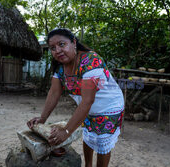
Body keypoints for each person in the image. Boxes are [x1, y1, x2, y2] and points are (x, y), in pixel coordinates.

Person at [27, 28, 124, 167]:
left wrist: (66, 131)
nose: (57, 50)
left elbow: (87, 101)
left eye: (62, 44)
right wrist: (42, 119)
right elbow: (54, 93)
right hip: (87, 109)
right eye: (53, 48)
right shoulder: (60, 68)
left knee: (102, 142)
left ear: (73, 42)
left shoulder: (91, 61)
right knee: (89, 136)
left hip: (109, 107)